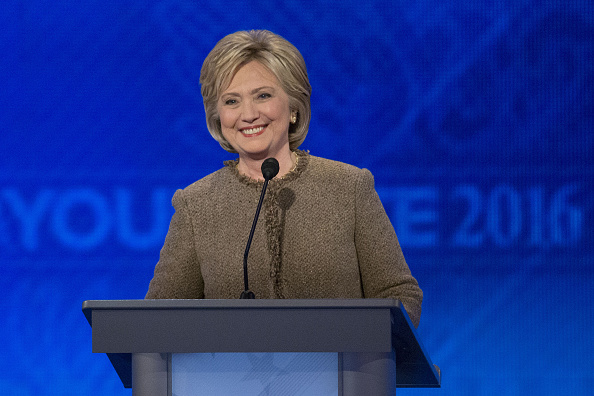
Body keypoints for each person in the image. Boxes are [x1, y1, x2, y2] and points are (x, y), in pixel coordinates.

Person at [145, 30, 423, 327]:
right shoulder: (196, 205)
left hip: (342, 371)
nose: (248, 114)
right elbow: (160, 319)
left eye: (262, 96)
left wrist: (359, 346)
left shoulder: (348, 187)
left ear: (293, 106)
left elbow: (398, 294)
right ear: (217, 117)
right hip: (231, 374)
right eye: (231, 101)